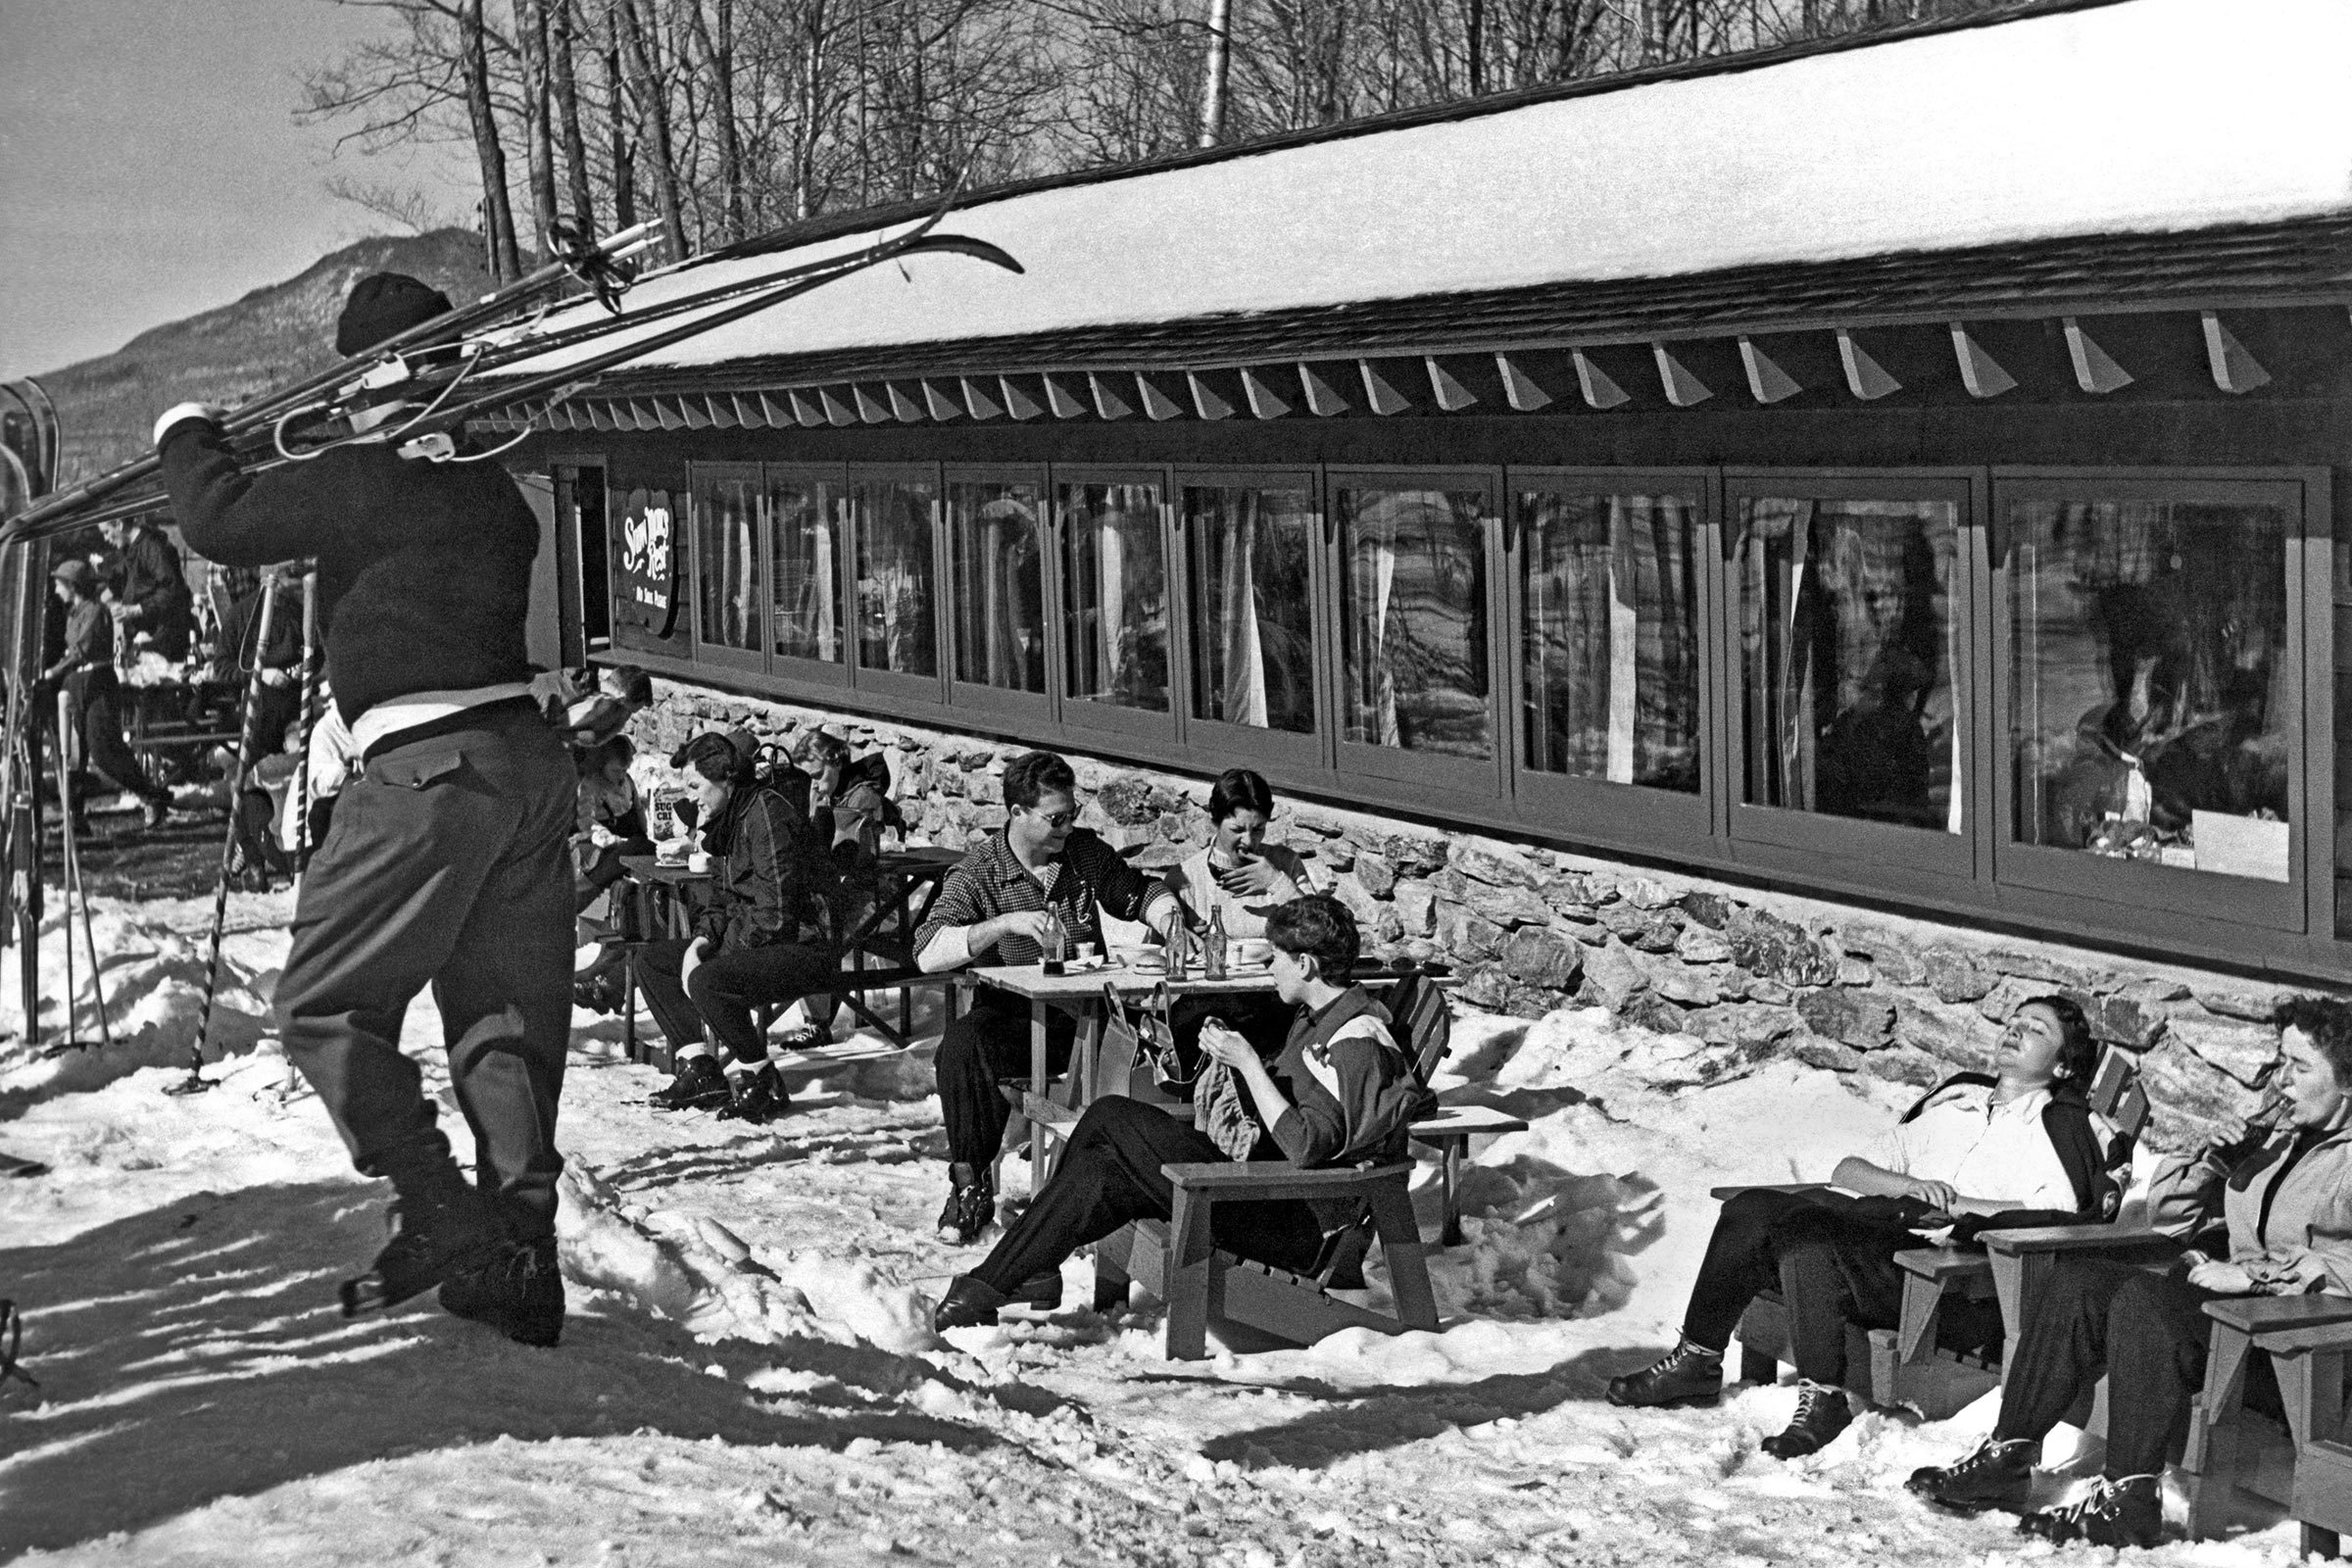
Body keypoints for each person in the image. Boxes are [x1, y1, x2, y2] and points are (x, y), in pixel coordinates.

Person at [154, 270, 576, 1348]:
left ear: (374, 375)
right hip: (527, 765)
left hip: (429, 776)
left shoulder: (362, 477)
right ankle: (521, 1259)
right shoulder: (491, 484)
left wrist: (187, 431)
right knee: (505, 1020)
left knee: (326, 1002)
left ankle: (436, 1203)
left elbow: (214, 519)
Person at [1907, 995, 2352, 1548]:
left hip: (2294, 1347)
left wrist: (2261, 1279)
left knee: (2146, 1299)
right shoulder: (2279, 1140)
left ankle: (2129, 1500)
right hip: (2225, 1316)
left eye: (2300, 1067)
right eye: (2280, 1063)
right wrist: (2211, 1166)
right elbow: (2171, 1219)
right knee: (2080, 1280)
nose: (2280, 1082)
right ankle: (2007, 1454)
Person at [1607, 997, 2125, 1459]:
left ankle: (1825, 1398)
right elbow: (1848, 1170)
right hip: (1881, 1240)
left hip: (1941, 1280)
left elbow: (2058, 1216)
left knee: (1807, 1228)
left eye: (2035, 1029)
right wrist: (1910, 1185)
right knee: (1753, 1208)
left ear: (2061, 1066)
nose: (2013, 1030)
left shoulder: (2058, 1129)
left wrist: (1959, 1207)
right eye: (2012, 1022)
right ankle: (1697, 1359)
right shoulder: (1955, 1109)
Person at [933, 895, 1434, 1329]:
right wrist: (1231, 1067)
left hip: (1289, 1218)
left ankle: (1007, 1280)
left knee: (1110, 1118)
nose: (1270, 967)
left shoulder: (1355, 1043)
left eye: (1277, 957)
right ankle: (995, 1285)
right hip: (1266, 1186)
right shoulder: (1321, 1018)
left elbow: (1307, 1146)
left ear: (1306, 965)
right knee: (1102, 1166)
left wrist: (1248, 1067)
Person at [913, 750, 1193, 1246]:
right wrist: (1000, 925)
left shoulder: (1082, 853)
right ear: (1018, 813)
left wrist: (1169, 920)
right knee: (961, 1046)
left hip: (1085, 1017)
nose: (1066, 826)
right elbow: (927, 951)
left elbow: (1136, 891)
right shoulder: (979, 871)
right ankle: (969, 1186)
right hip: (1015, 1019)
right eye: (1055, 818)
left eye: (1072, 815)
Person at [639, 729, 837, 1124]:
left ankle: (761, 1077)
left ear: (726, 778)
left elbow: (775, 916)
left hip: (804, 947)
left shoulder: (767, 814)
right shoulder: (728, 821)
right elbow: (719, 900)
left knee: (707, 982)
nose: (690, 796)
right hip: (758, 938)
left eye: (695, 785)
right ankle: (702, 1072)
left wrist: (717, 957)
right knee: (654, 962)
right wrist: (699, 944)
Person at [1161, 768, 1321, 1066]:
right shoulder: (1187, 877)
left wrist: (1276, 881)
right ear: (1215, 821)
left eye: (1258, 829)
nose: (1248, 841)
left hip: (1276, 1002)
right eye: (1237, 830)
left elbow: (1323, 932)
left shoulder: (1284, 863)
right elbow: (1164, 961)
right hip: (1212, 1007)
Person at [34, 559, 174, 831]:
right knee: (72, 755)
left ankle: (151, 795)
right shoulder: (73, 613)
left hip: (97, 682)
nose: (55, 588)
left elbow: (81, 650)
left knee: (103, 750)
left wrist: (52, 673)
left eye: (59, 583)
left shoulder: (97, 612)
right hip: (76, 683)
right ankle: (76, 818)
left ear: (72, 585)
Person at [99, 515, 195, 662]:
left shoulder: (153, 546)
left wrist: (135, 610)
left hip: (163, 640)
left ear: (119, 524)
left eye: (106, 532)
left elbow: (171, 590)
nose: (105, 539)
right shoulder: (130, 550)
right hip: (145, 640)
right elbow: (127, 582)